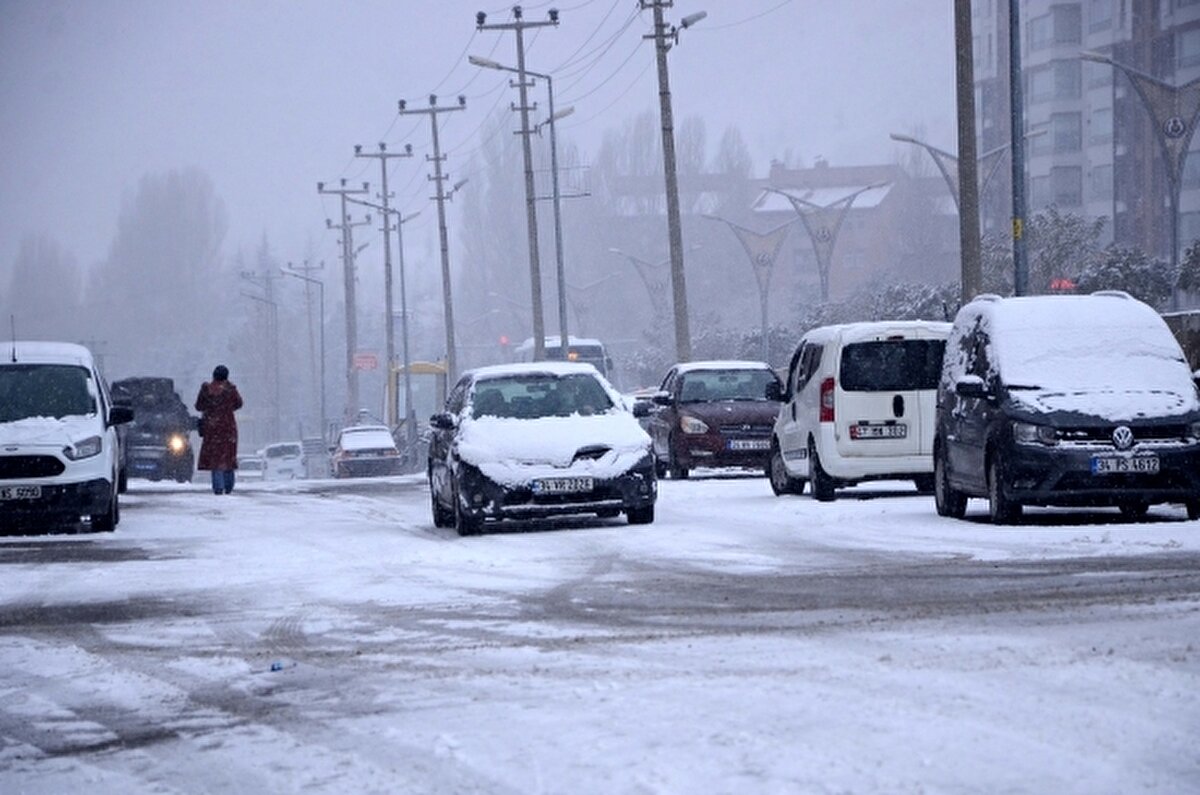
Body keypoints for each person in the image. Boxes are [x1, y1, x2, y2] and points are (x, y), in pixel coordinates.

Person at [195, 365, 244, 494]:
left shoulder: (207, 389)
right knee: (228, 457)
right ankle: (228, 486)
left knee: (215, 459)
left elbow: (198, 406)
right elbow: (239, 403)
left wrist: (210, 409)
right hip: (228, 427)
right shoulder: (230, 390)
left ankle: (218, 487)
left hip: (212, 428)